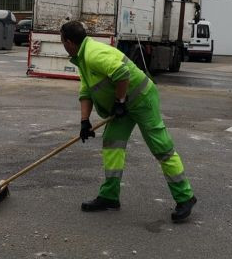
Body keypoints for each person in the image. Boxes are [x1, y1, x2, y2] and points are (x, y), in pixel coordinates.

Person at [60, 20, 197, 222]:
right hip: (122, 105)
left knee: (161, 147)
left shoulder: (93, 54)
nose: (62, 45)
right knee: (112, 144)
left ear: (69, 42)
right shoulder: (82, 57)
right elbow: (86, 90)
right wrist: (84, 121)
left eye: (62, 41)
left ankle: (185, 197)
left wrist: (120, 101)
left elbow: (122, 73)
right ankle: (110, 196)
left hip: (141, 99)